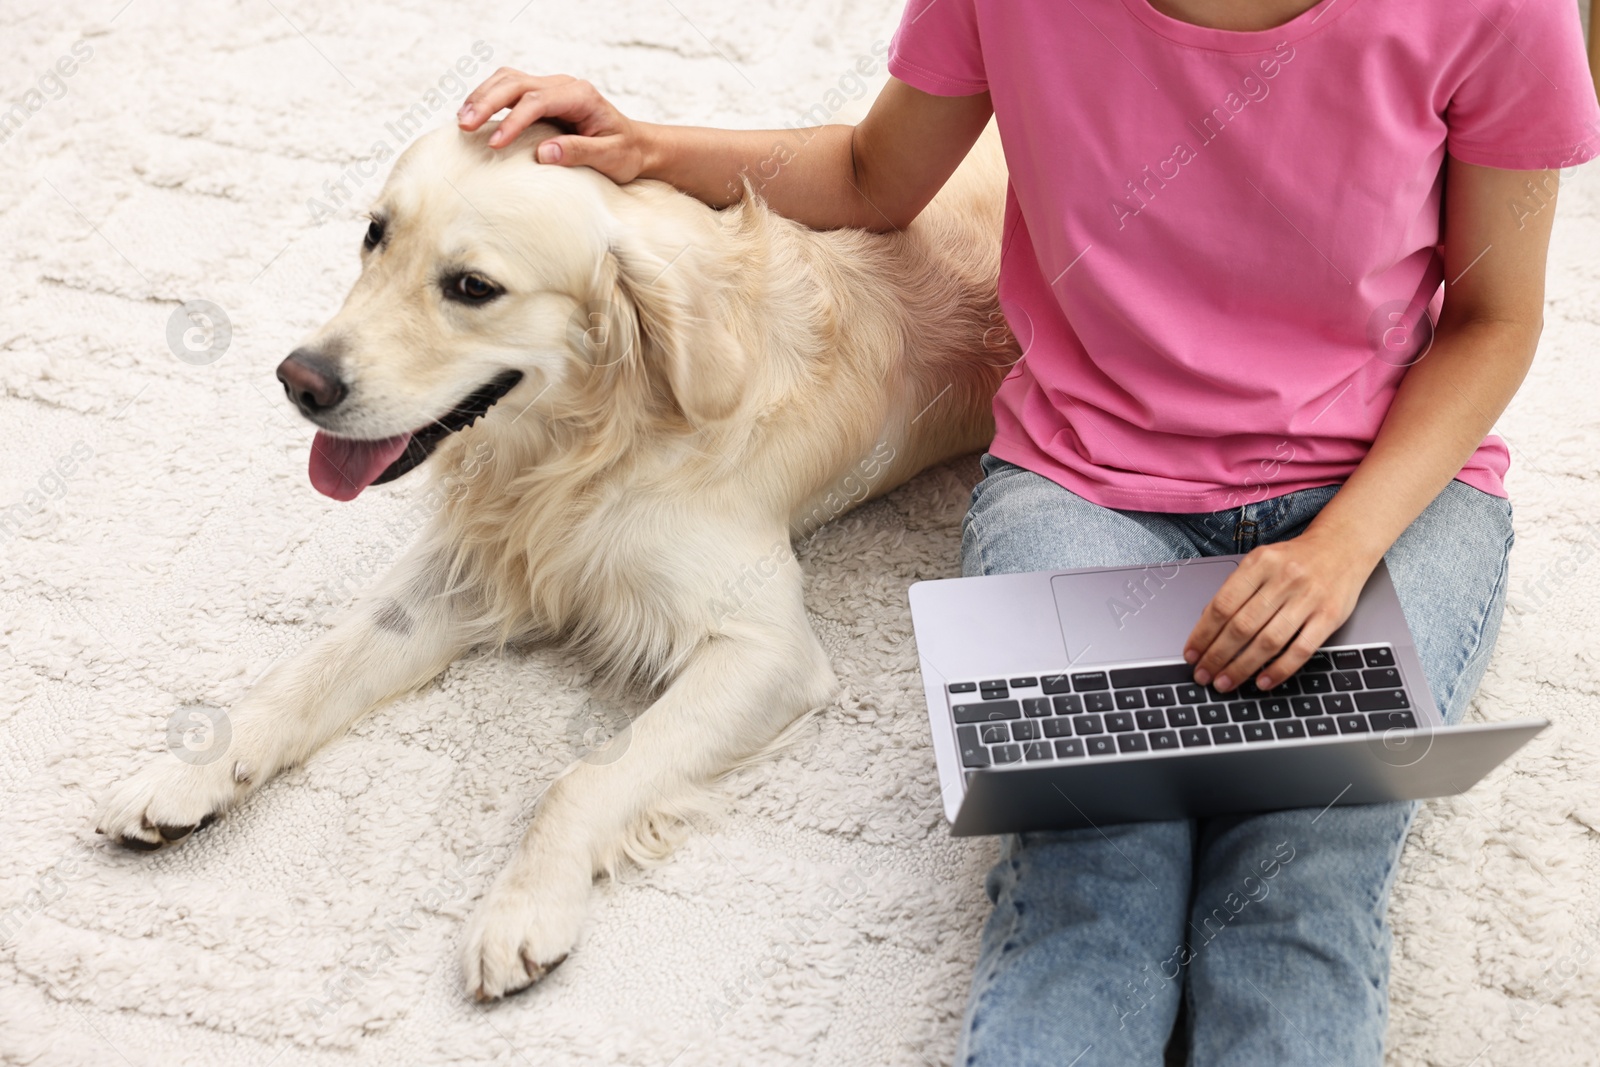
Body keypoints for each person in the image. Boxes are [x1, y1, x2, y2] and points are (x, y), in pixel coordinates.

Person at [457, 0, 1599, 1060]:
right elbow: (871, 171)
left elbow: (1495, 318)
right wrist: (644, 143)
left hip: (1390, 488)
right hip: (1090, 483)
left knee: (1300, 877)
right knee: (1094, 870)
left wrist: (1339, 548)